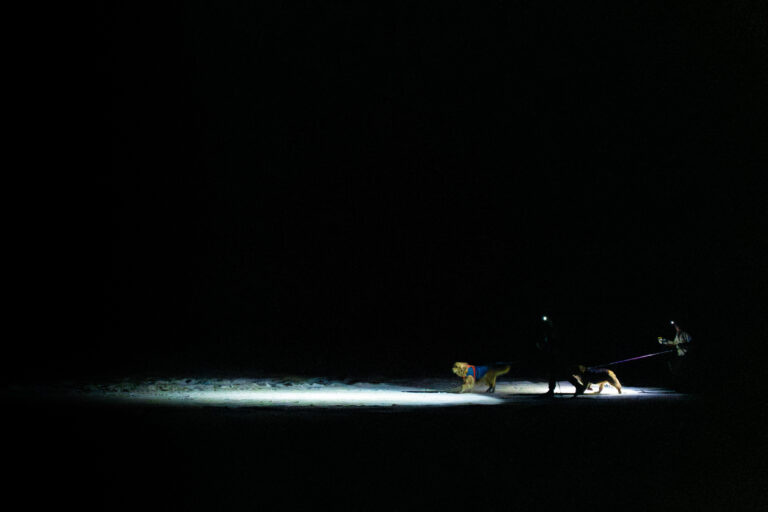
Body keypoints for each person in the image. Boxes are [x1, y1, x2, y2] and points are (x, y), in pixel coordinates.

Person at [537, 316, 584, 397]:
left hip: (558, 355)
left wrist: (553, 350)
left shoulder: (554, 331)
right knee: (555, 373)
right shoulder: (549, 331)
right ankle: (552, 390)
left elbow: (557, 343)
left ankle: (578, 386)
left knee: (561, 372)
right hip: (555, 354)